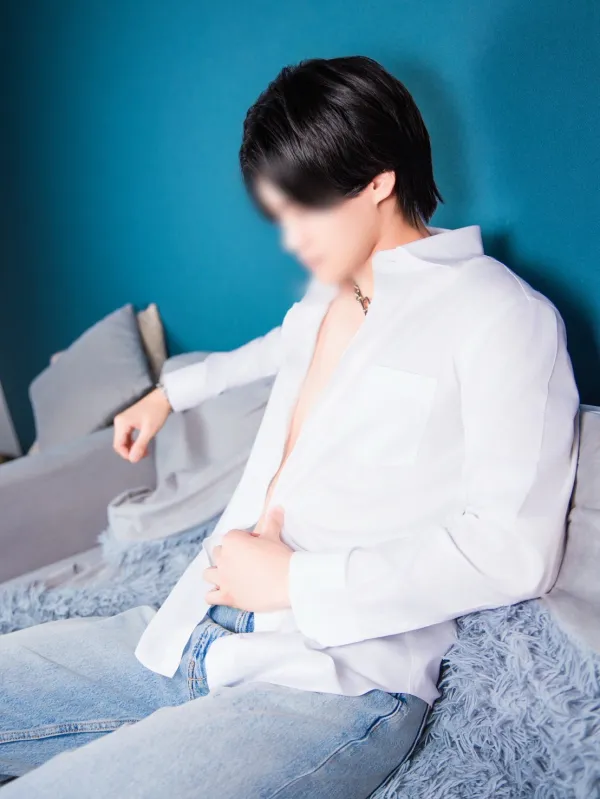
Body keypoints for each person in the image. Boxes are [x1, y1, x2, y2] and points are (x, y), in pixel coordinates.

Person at [0, 55, 580, 797]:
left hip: (328, 680)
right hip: (189, 631)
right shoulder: (326, 299)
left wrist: (294, 581)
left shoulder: (499, 315)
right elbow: (269, 351)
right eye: (280, 214)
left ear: (379, 181)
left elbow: (513, 549)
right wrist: (168, 394)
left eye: (305, 209)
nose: (290, 238)